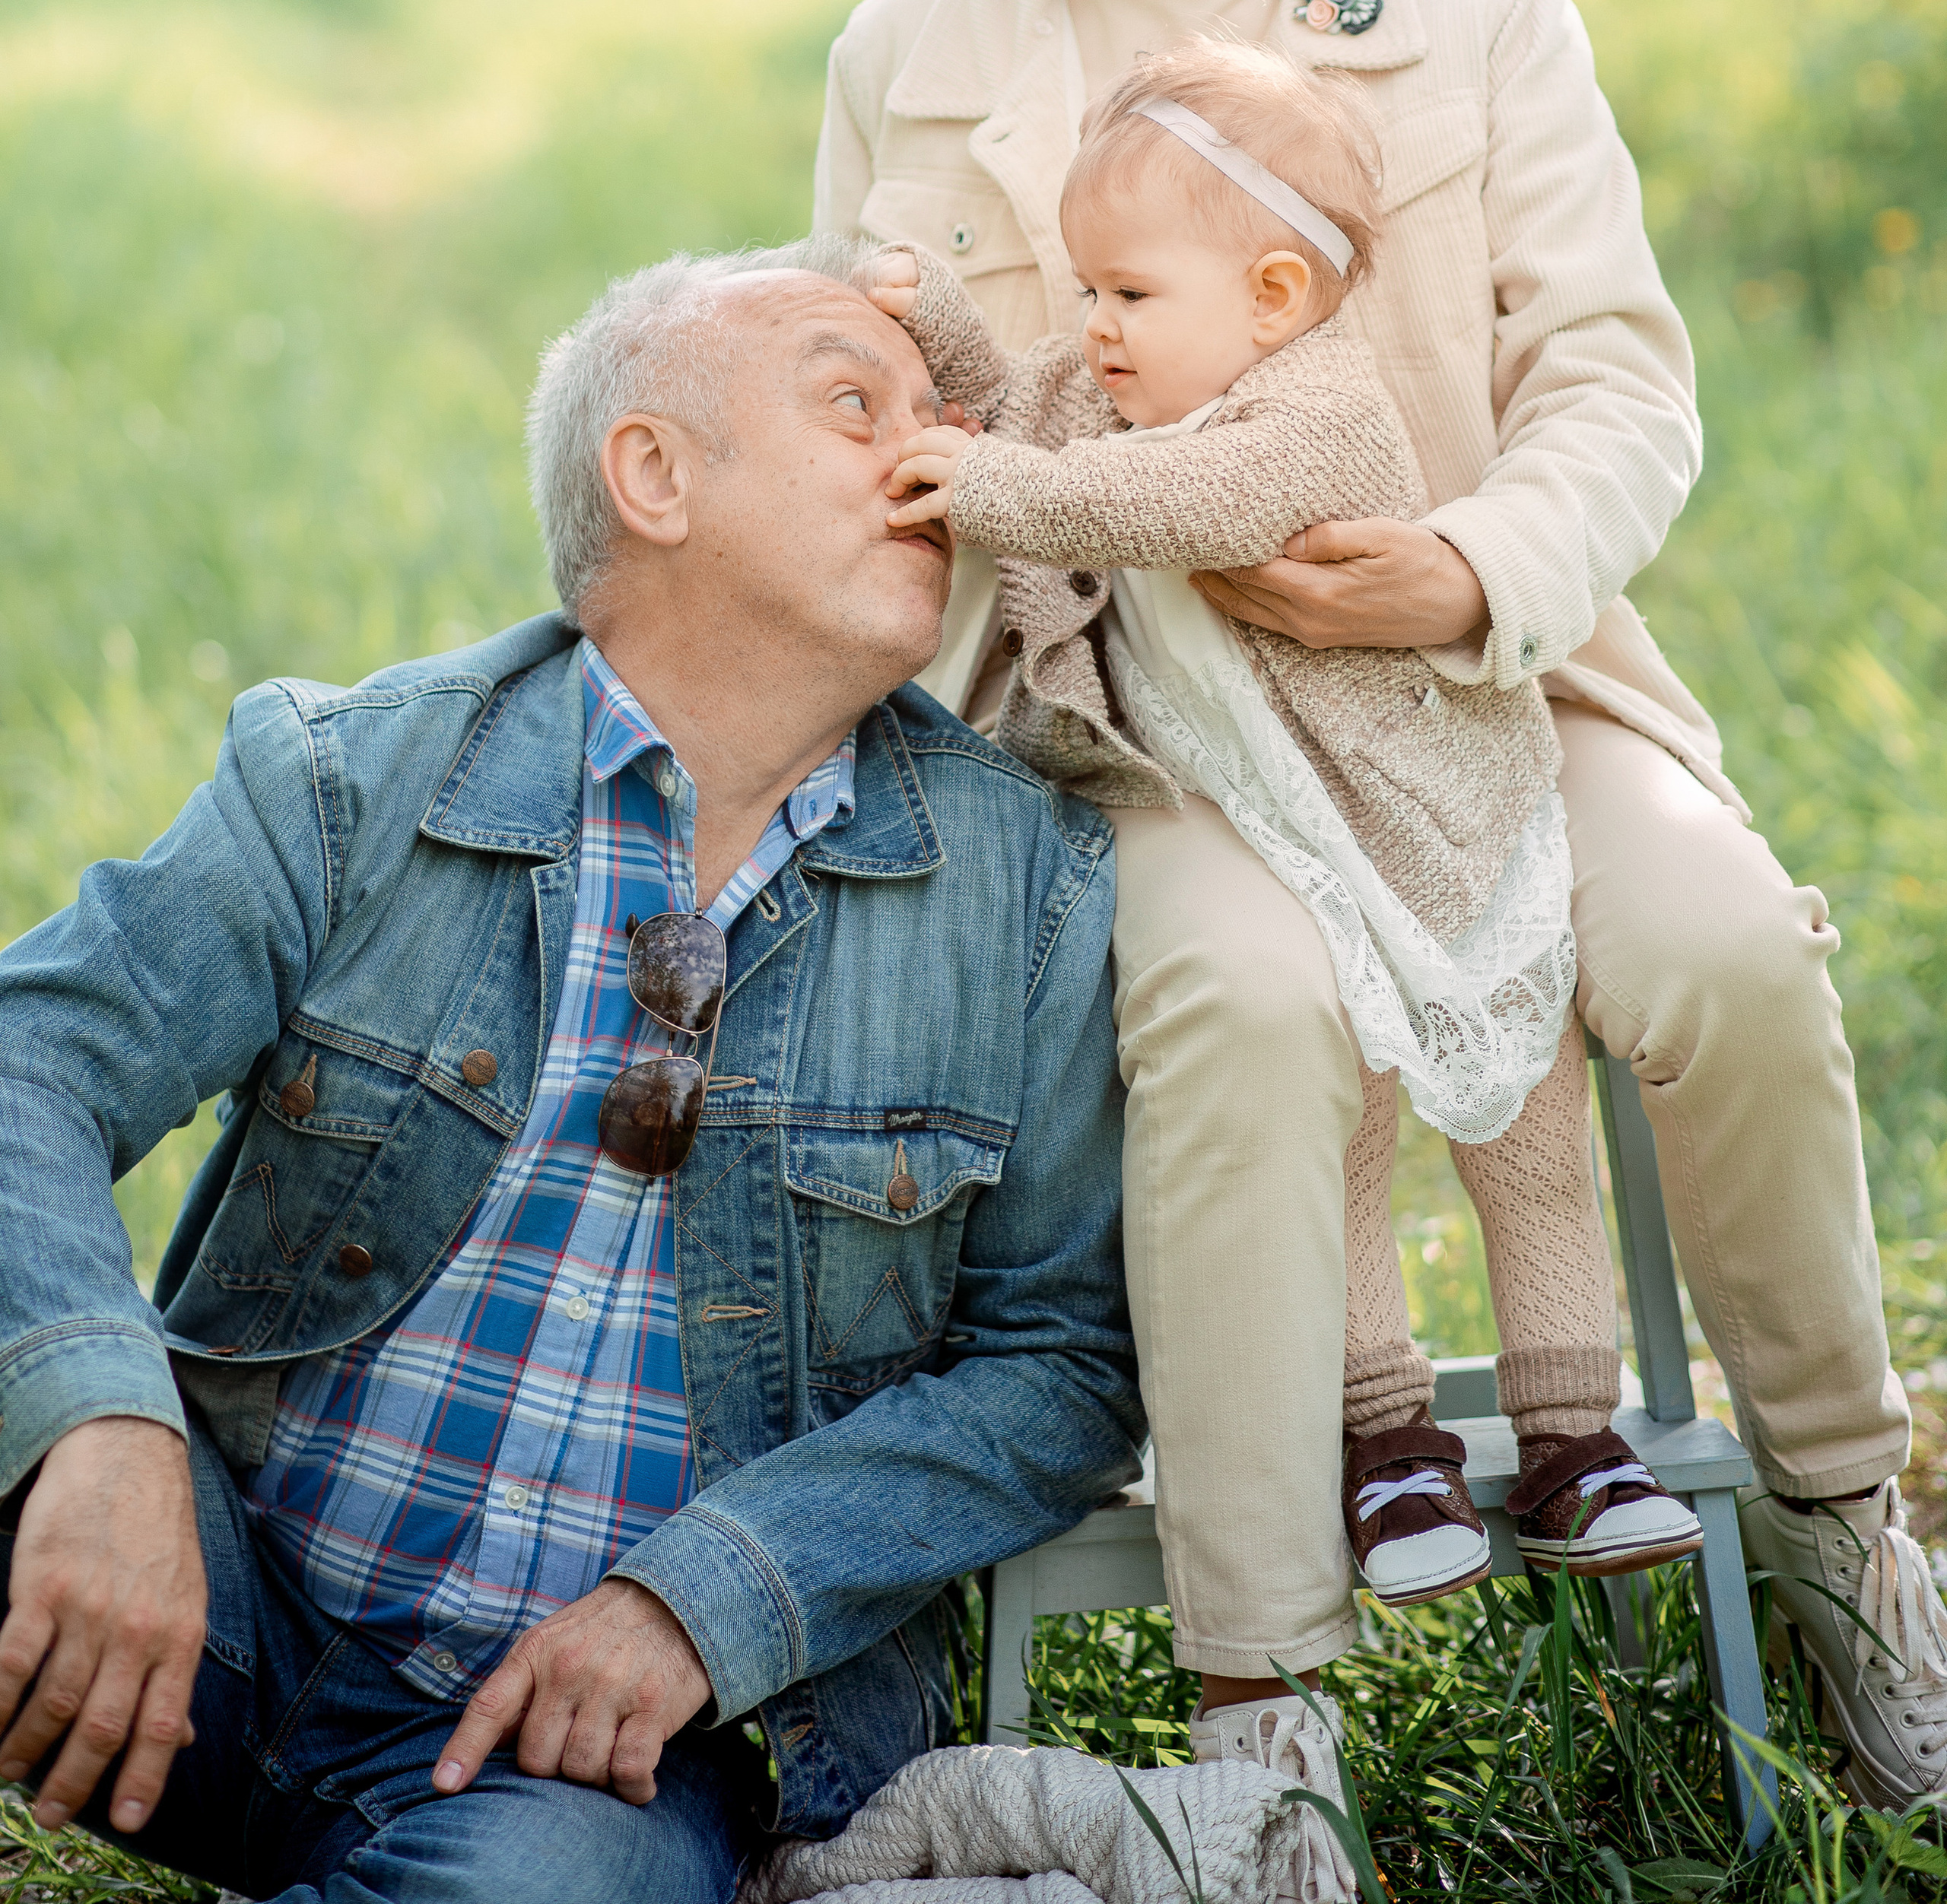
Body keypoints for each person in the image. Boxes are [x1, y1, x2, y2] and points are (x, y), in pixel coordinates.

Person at [812, 0, 1947, 1810]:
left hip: (1488, 682)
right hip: (1156, 730)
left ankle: (1847, 1544)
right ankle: (1266, 1715)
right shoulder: (917, 53)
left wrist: (1474, 565)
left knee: (1729, 950)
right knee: (1239, 1006)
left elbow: (1616, 377)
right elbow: (874, 423)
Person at [0, 242, 1148, 1904]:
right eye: (856, 403)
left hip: (589, 1759)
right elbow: (32, 1058)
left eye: (948, 418)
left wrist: (708, 1599)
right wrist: (102, 1427)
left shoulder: (1026, 889)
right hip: (215, 1595)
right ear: (653, 475)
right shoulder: (352, 777)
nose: (939, 456)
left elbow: (1061, 1359)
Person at [869, 32, 1704, 1625]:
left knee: (1527, 1151)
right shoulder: (1108, 390)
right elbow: (1017, 410)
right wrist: (939, 321)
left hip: (1447, 840)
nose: (1094, 325)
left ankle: (1573, 1439)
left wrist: (983, 489)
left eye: (1128, 292)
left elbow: (1161, 506)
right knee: (1345, 1141)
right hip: (1302, 853)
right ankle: (1384, 1442)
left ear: (1270, 296)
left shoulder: (1318, 413)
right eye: (1087, 289)